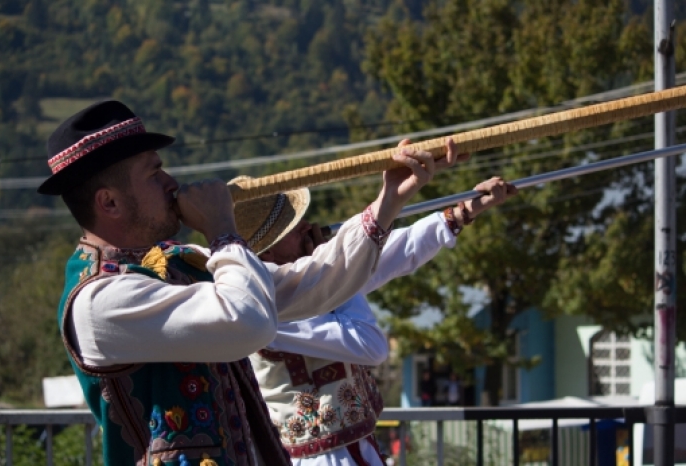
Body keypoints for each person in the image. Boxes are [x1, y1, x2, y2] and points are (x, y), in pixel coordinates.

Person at [40, 101, 453, 466]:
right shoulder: (99, 300)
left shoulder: (175, 262)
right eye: (154, 173)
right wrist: (222, 230)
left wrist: (388, 201)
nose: (171, 183)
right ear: (109, 202)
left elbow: (310, 283)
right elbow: (249, 323)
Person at [238, 147, 517, 465]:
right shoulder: (264, 301)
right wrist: (344, 272)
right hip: (321, 459)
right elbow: (368, 344)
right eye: (292, 228)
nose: (308, 226)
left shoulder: (302, 281)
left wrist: (462, 213)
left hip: (351, 451)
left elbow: (400, 250)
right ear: (267, 254)